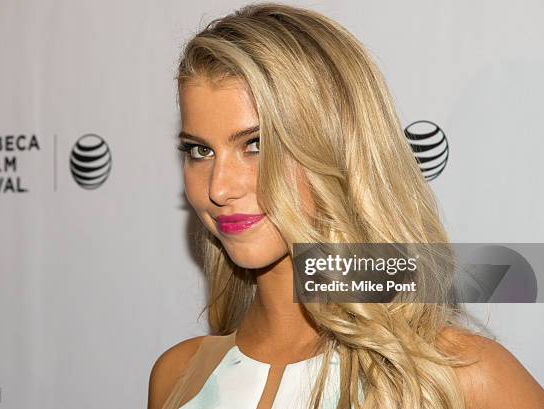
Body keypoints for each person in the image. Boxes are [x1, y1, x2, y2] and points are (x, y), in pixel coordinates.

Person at [148, 3, 544, 408]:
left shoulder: (457, 377)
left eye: (256, 144)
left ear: (337, 146)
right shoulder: (177, 376)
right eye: (199, 150)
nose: (219, 187)